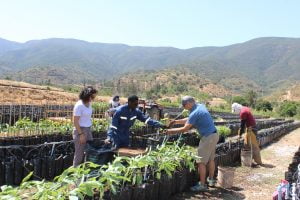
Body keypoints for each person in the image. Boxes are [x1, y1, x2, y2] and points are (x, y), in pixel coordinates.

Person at [165, 96, 219, 192]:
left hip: (207, 137)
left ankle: (202, 185)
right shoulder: (200, 106)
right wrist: (176, 121)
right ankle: (211, 180)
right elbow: (190, 118)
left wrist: (169, 131)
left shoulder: (195, 112)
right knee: (211, 159)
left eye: (184, 105)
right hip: (214, 135)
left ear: (190, 103)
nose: (183, 107)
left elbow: (184, 129)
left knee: (201, 162)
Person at [72, 86, 97, 167]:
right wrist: (81, 134)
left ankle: (85, 171)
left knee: (89, 151)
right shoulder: (79, 105)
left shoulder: (88, 103)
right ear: (87, 95)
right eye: (92, 96)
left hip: (88, 129)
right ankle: (75, 174)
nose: (93, 98)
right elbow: (75, 121)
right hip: (80, 130)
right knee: (79, 154)